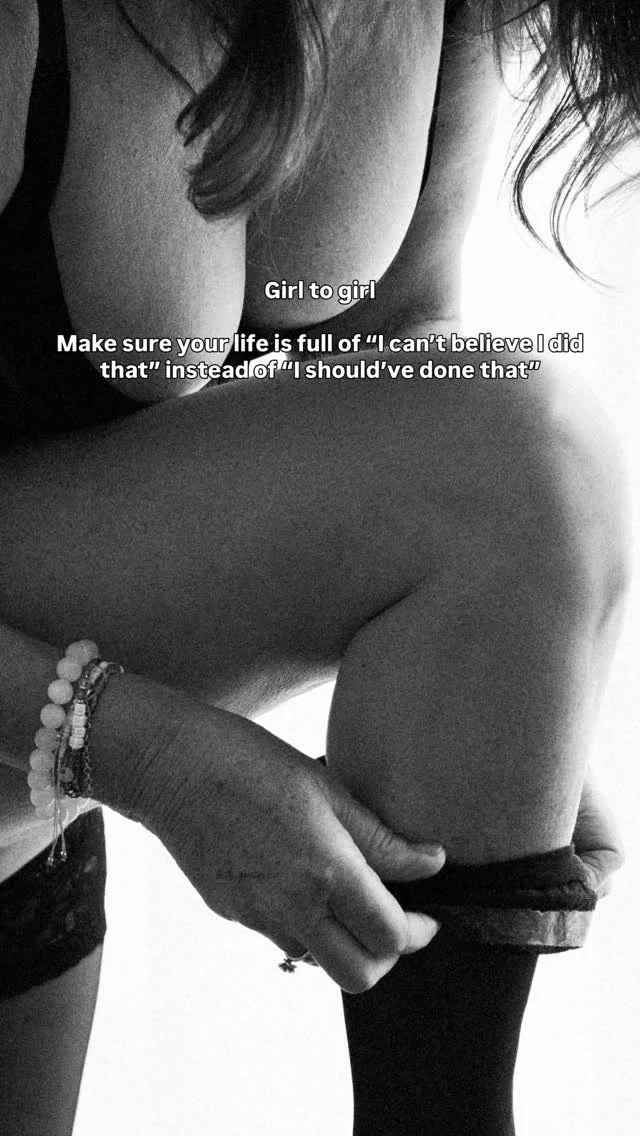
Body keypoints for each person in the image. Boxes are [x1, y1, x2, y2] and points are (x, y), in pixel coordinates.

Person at [0, 1, 633, 1133]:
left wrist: (513, 651)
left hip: (26, 824)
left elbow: (401, 357)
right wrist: (144, 756)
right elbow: (493, 454)